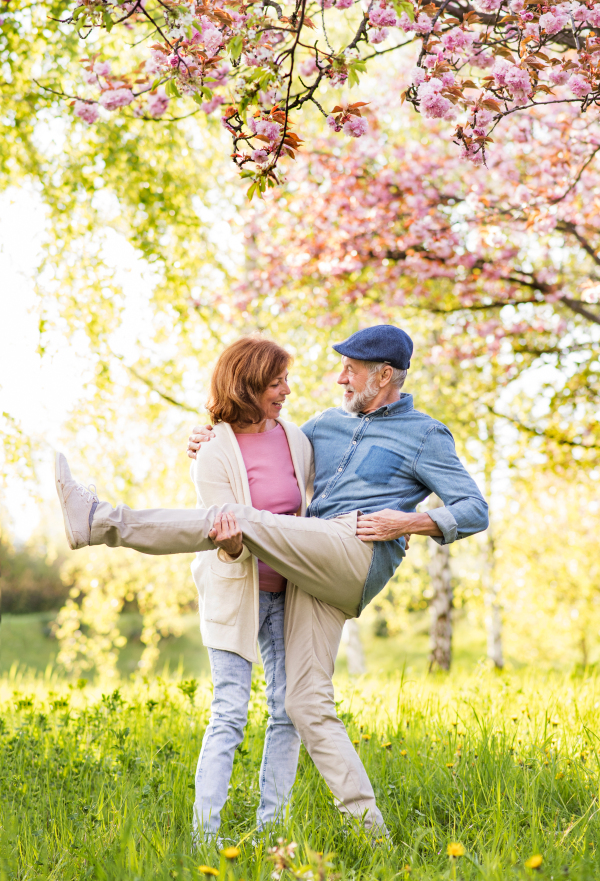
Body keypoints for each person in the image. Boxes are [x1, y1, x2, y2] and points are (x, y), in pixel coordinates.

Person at [55, 323, 489, 833]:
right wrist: (210, 436)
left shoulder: (424, 435)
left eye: (351, 370)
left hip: (357, 552)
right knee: (303, 703)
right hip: (308, 560)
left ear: (385, 375)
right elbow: (265, 448)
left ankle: (103, 522)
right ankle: (372, 831)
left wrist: (409, 521)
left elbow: (475, 509)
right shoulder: (322, 426)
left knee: (242, 518)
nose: (340, 379)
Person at [187, 337, 310, 842]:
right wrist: (235, 547)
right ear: (248, 383)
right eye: (276, 381)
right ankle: (205, 836)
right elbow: (224, 537)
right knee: (230, 712)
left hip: (289, 595)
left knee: (288, 711)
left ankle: (270, 832)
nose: (286, 389)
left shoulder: (296, 438)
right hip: (235, 592)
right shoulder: (213, 450)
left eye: (285, 378)